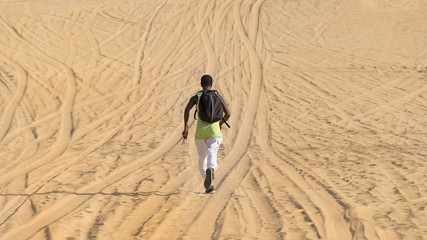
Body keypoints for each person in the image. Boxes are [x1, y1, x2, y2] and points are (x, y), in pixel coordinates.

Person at [182, 75, 231, 193]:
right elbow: (228, 113)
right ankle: (211, 169)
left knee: (202, 157)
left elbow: (187, 110)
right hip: (215, 131)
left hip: (200, 133)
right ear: (211, 84)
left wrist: (186, 128)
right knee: (212, 151)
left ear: (201, 84)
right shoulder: (217, 96)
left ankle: (208, 183)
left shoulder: (197, 97)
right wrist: (220, 124)